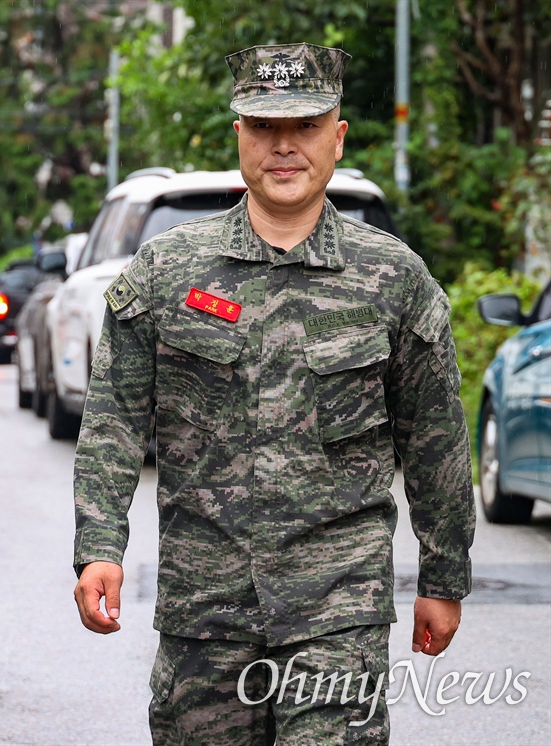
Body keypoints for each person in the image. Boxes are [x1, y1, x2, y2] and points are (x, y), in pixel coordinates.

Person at [72, 43, 474, 744]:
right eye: (263, 128)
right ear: (239, 135)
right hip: (205, 612)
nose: (283, 147)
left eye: (306, 127)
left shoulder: (392, 279)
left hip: (337, 610)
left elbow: (435, 437)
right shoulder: (169, 272)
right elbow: (114, 420)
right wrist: (99, 545)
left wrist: (442, 577)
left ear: (338, 135)